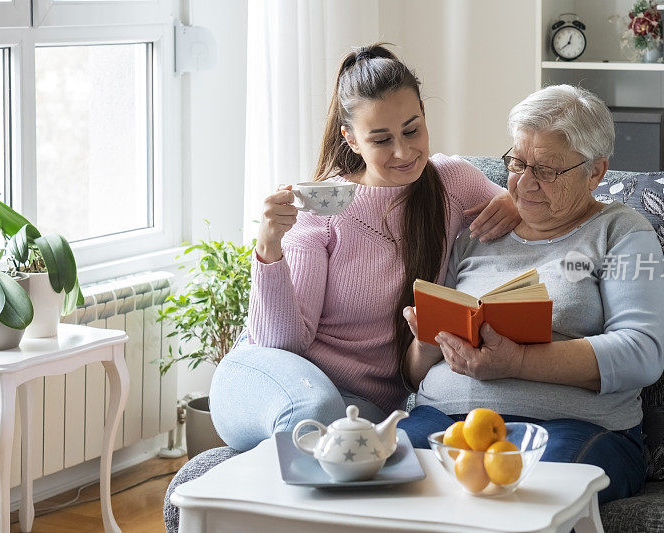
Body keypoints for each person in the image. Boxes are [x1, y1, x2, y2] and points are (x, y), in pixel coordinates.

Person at [208, 44, 520, 452]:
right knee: (315, 413)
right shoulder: (322, 208)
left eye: (412, 130)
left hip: (362, 404)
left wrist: (516, 200)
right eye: (381, 140)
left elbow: (543, 216)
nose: (403, 152)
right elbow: (284, 345)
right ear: (351, 140)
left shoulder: (453, 182)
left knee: (353, 436)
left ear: (424, 114)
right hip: (270, 376)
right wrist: (269, 248)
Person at [399, 84, 664, 504]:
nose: (524, 183)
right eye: (516, 162)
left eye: (546, 170)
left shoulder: (622, 233)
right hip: (444, 420)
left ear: (596, 172)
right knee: (384, 474)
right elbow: (416, 374)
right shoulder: (478, 234)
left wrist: (519, 361)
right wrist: (427, 343)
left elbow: (642, 352)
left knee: (531, 494)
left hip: (573, 426)